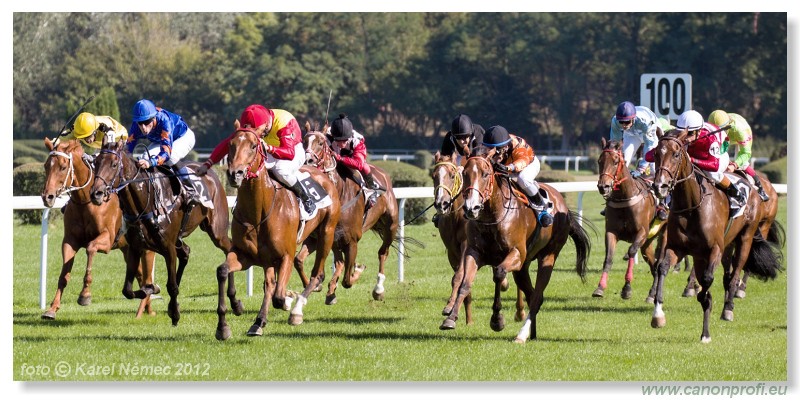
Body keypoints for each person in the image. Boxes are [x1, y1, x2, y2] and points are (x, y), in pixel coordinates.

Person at [195, 104, 315, 214]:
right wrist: (208, 164)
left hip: (293, 151)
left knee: (280, 170)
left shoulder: (284, 122)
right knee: (252, 167)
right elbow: (226, 144)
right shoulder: (250, 124)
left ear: (266, 125)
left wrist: (269, 148)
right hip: (270, 152)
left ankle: (306, 197)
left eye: (257, 130)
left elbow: (289, 153)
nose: (256, 133)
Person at [646, 110, 746, 207]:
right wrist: (661, 150)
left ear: (699, 131)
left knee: (712, 174)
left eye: (690, 134)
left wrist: (692, 160)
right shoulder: (677, 135)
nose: (685, 137)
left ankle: (734, 191)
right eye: (682, 132)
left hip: (718, 156)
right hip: (693, 153)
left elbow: (714, 166)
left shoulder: (710, 139)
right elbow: (648, 157)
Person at [126, 99, 210, 208]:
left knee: (171, 157)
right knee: (144, 156)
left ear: (154, 117)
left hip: (183, 137)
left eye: (147, 122)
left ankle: (191, 191)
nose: (143, 127)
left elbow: (166, 153)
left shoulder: (164, 121)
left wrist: (151, 162)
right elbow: (128, 149)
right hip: (161, 140)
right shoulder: (136, 126)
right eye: (140, 123)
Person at [607, 101, 669, 219]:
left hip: (650, 133)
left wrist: (640, 169)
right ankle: (614, 197)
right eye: (622, 122)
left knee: (653, 168)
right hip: (632, 135)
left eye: (627, 122)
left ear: (633, 118)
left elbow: (650, 148)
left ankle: (662, 204)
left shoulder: (645, 121)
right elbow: (614, 145)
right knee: (622, 163)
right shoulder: (615, 121)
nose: (624, 125)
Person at [483, 125, 553, 227]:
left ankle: (543, 206)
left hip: (529, 164)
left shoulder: (517, 145)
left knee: (523, 179)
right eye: (490, 149)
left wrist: (508, 168)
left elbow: (523, 161)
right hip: (508, 167)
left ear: (506, 146)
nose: (494, 154)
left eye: (497, 150)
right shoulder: (491, 148)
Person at [707, 110, 769, 201]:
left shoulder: (740, 131)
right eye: (714, 130)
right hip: (728, 130)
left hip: (741, 132)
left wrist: (734, 165)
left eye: (720, 131)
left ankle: (760, 187)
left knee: (742, 164)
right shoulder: (711, 127)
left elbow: (746, 153)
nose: (717, 134)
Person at [61, 112, 128, 151]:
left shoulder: (107, 128)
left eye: (88, 136)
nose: (87, 140)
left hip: (121, 141)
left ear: (95, 131)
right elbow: (61, 138)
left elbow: (110, 150)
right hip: (100, 146)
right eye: (83, 137)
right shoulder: (78, 129)